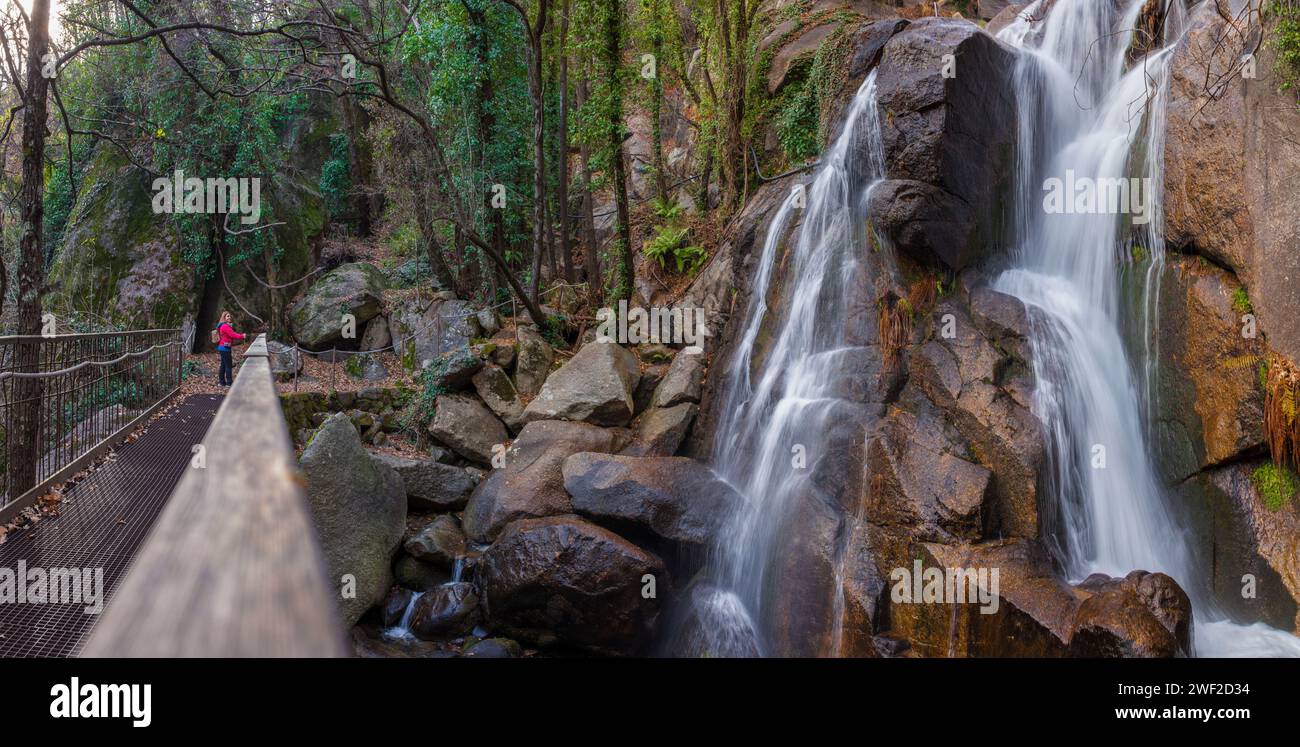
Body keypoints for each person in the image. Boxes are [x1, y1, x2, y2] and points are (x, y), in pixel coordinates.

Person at [215, 311, 246, 387]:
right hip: (225, 348)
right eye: (227, 316)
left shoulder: (222, 325)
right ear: (224, 318)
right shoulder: (225, 326)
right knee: (228, 365)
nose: (229, 317)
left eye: (229, 316)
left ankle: (222, 382)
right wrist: (242, 336)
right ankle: (229, 383)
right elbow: (232, 334)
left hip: (223, 347)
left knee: (223, 365)